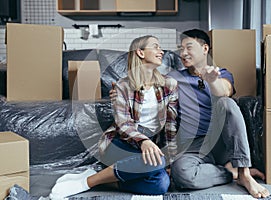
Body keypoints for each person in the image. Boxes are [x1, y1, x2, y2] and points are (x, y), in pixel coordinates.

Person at [49, 35, 178, 199]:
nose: (161, 51)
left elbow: (170, 126)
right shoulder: (123, 85)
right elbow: (123, 124)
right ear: (140, 52)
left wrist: (171, 159)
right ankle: (89, 181)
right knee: (157, 162)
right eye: (156, 47)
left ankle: (106, 179)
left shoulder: (170, 85)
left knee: (160, 184)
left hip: (152, 144)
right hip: (121, 142)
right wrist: (143, 141)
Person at [168, 29, 270, 198]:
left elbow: (224, 91)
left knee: (226, 103)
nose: (183, 53)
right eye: (180, 48)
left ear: (205, 49)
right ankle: (230, 173)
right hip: (193, 146)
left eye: (189, 47)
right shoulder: (173, 77)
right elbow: (144, 86)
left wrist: (212, 80)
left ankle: (244, 173)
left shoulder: (220, 73)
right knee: (182, 175)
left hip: (221, 142)